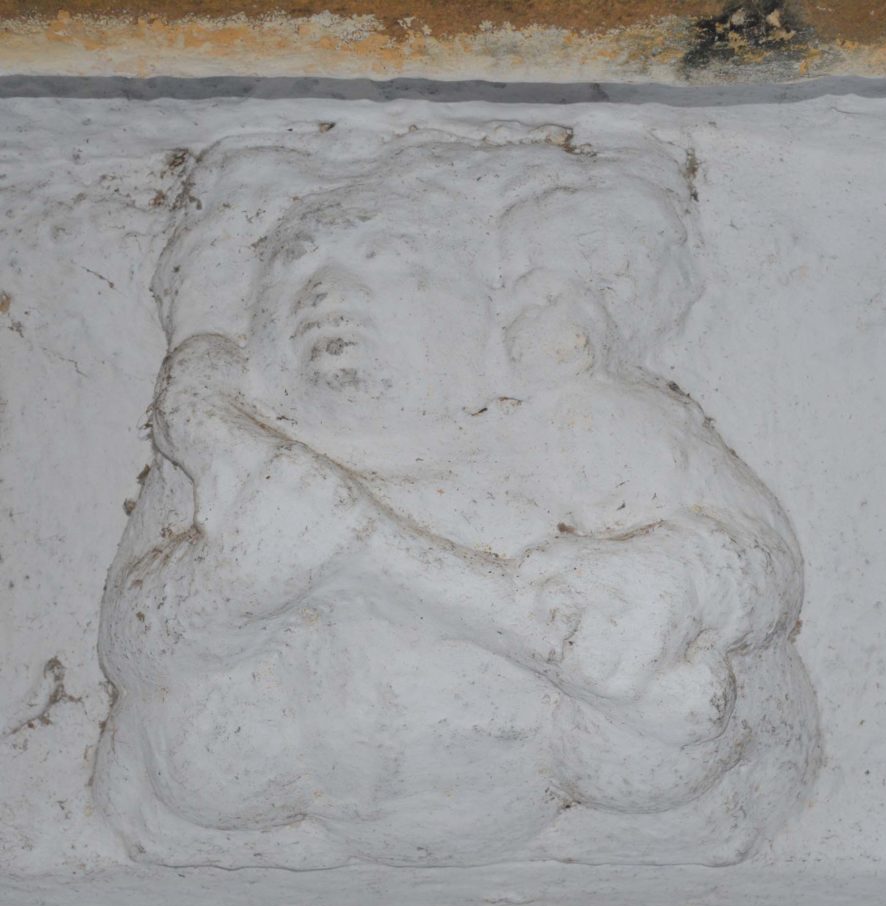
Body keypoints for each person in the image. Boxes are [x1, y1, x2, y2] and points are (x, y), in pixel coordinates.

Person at [95, 126, 819, 868]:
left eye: (382, 260)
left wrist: (668, 582)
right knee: (200, 736)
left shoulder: (583, 420)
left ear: (487, 297)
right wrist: (232, 582)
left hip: (606, 799)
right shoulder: (231, 456)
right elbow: (133, 636)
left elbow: (756, 559)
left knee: (671, 728)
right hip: (278, 808)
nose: (324, 293)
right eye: (292, 266)